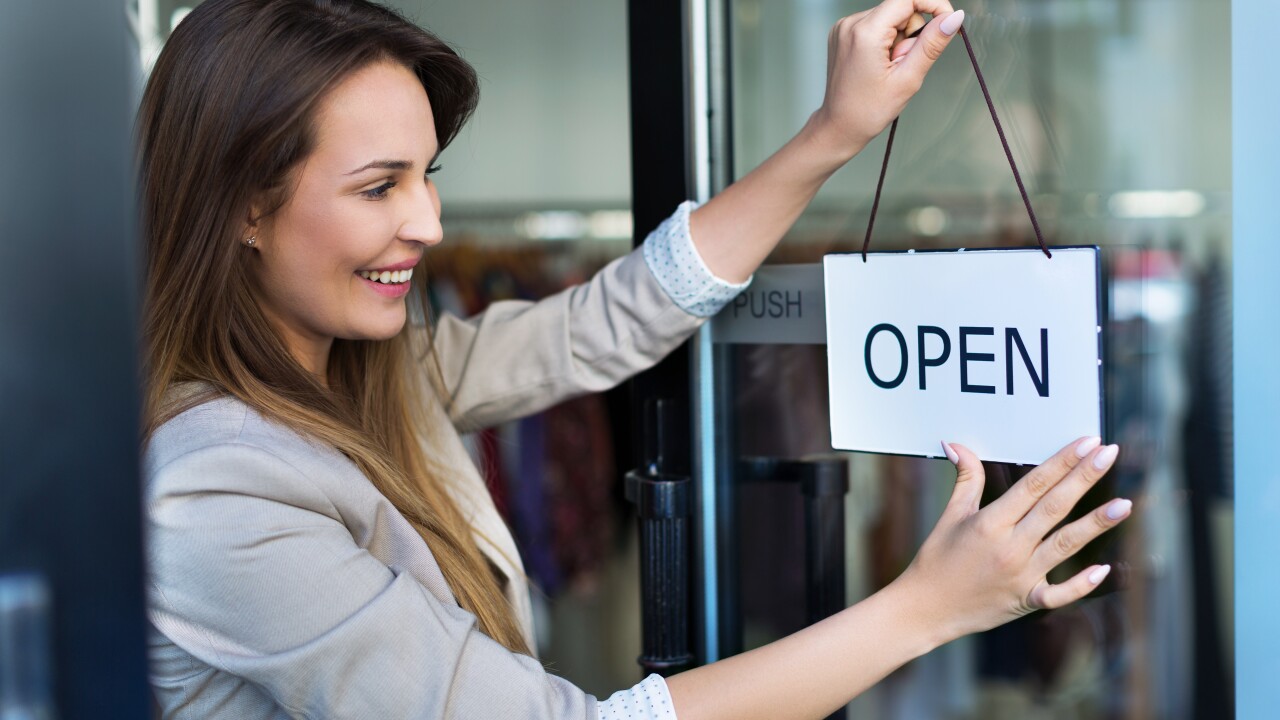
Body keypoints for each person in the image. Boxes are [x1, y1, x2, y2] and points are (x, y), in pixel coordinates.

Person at [138, 0, 1131, 718]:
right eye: (378, 187)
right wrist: (923, 609)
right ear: (243, 208)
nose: (430, 223)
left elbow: (612, 319)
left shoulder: (369, 376)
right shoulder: (214, 493)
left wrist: (834, 132)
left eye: (428, 176)